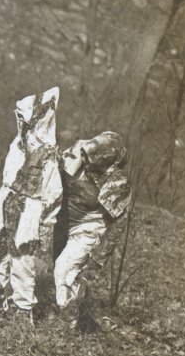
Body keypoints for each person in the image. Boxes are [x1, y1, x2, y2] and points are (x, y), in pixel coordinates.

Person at [0, 86, 63, 319]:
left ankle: (22, 309)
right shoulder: (17, 144)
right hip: (6, 198)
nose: (23, 124)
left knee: (22, 259)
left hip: (30, 207)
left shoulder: (48, 155)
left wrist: (45, 224)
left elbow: (54, 193)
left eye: (26, 119)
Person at [54, 131, 132, 329]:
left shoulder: (117, 183)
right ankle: (77, 310)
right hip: (63, 218)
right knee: (62, 267)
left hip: (89, 225)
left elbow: (118, 224)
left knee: (65, 268)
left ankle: (67, 323)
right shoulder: (78, 153)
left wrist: (98, 259)